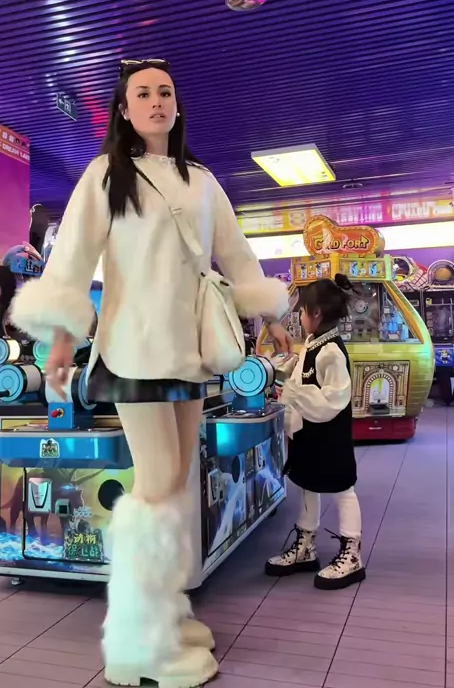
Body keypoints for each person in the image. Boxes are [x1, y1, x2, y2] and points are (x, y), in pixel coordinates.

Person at [12, 59, 290, 688]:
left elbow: (237, 256)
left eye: (165, 92)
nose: (157, 101)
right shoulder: (106, 175)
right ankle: (138, 641)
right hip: (132, 350)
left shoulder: (203, 181)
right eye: (143, 93)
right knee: (158, 481)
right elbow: (71, 260)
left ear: (177, 105)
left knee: (176, 483)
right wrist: (61, 340)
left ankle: (166, 618)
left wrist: (271, 318)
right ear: (124, 109)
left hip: (189, 353)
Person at [265, 274, 366, 590]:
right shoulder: (313, 343)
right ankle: (306, 546)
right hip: (308, 433)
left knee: (342, 488)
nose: (299, 316)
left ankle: (352, 555)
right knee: (307, 483)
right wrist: (280, 372)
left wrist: (292, 390)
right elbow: (301, 377)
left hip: (329, 436)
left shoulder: (331, 352)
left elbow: (332, 400)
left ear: (316, 313)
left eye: (301, 310)